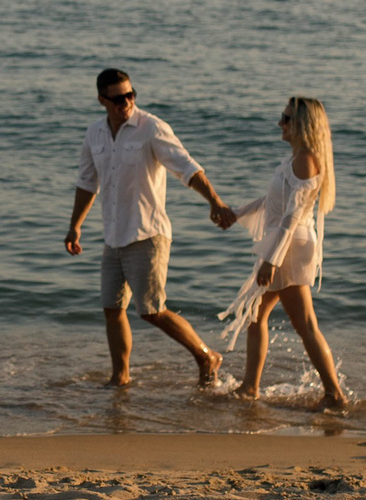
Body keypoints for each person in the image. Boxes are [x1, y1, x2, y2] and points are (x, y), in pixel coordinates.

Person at [64, 69, 238, 386]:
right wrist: (75, 226)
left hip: (148, 234)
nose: (126, 102)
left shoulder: (152, 128)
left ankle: (206, 355)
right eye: (118, 98)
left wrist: (215, 201)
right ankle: (120, 377)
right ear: (102, 100)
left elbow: (187, 167)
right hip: (113, 236)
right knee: (112, 308)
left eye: (131, 95)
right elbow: (88, 184)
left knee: (152, 310)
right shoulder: (95, 134)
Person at [220, 96, 351, 408]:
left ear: (303, 125)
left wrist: (270, 260)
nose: (280, 123)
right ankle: (250, 387)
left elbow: (291, 217)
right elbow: (272, 202)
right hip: (284, 243)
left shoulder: (305, 161)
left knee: (304, 323)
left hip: (289, 247)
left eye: (287, 118)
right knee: (258, 315)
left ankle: (334, 394)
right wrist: (235, 213)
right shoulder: (296, 159)